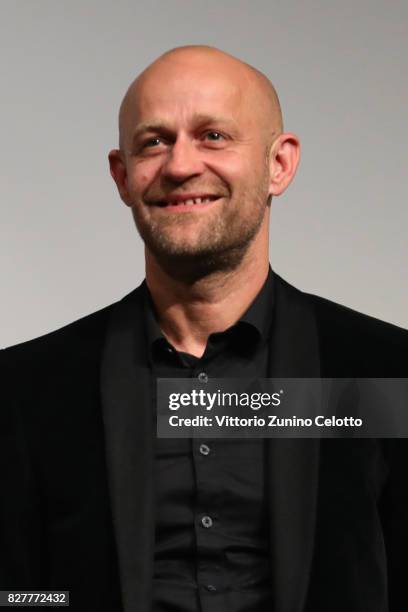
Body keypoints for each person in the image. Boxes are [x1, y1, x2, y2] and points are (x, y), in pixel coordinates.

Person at [1, 45, 407, 612]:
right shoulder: (24, 389)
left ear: (279, 164)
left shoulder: (385, 373)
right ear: (122, 177)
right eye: (154, 141)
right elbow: (16, 594)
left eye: (213, 135)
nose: (180, 165)